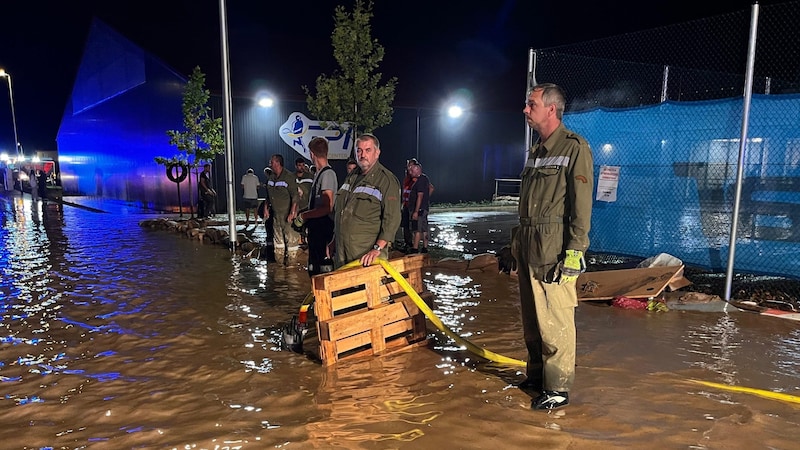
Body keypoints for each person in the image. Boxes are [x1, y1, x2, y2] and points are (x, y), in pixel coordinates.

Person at [513, 83, 594, 410]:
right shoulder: (537, 151)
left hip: (554, 252)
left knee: (555, 321)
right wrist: (513, 247)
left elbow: (581, 206)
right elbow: (526, 208)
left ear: (551, 109)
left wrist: (575, 251)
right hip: (529, 248)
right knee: (533, 321)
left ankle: (557, 388)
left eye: (531, 104)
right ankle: (537, 377)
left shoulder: (575, 148)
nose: (525, 110)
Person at [332, 133, 401, 268]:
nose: (363, 155)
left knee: (365, 289)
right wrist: (335, 240)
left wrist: (377, 249)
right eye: (359, 150)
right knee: (343, 288)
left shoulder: (386, 180)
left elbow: (392, 219)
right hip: (342, 254)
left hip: (366, 256)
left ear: (377, 153)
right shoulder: (352, 176)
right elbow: (342, 211)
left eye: (368, 150)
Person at [294, 137, 338, 276]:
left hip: (324, 231)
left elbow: (327, 207)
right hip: (316, 232)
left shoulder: (328, 174)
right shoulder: (319, 174)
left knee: (323, 271)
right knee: (314, 269)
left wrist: (303, 216)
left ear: (311, 154)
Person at [264, 154, 300, 262]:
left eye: (272, 162)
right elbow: (268, 196)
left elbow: (295, 196)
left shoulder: (289, 177)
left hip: (287, 215)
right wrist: (266, 208)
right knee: (278, 243)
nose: (270, 164)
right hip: (276, 216)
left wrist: (292, 212)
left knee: (291, 243)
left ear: (278, 163)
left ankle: (291, 267)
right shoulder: (271, 178)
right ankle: (279, 266)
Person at [406, 160, 431, 253]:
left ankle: (415, 248)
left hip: (419, 209)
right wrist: (426, 199)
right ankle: (425, 248)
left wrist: (416, 211)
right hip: (424, 208)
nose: (410, 172)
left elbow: (420, 195)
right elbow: (431, 189)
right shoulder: (425, 178)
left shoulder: (420, 181)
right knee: (424, 229)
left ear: (417, 169)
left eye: (412, 170)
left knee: (417, 229)